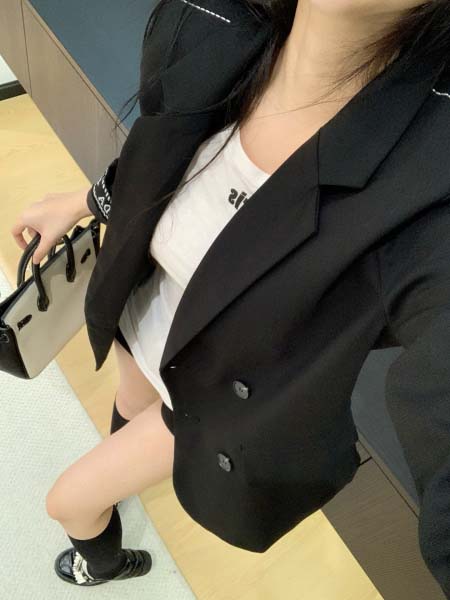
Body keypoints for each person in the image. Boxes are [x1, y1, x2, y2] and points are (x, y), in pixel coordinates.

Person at [9, 0, 450, 593]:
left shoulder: (427, 176)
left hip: (206, 396)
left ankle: (105, 565)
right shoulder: (209, 24)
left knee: (68, 501)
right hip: (139, 315)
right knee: (125, 408)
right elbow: (155, 165)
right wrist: (85, 202)